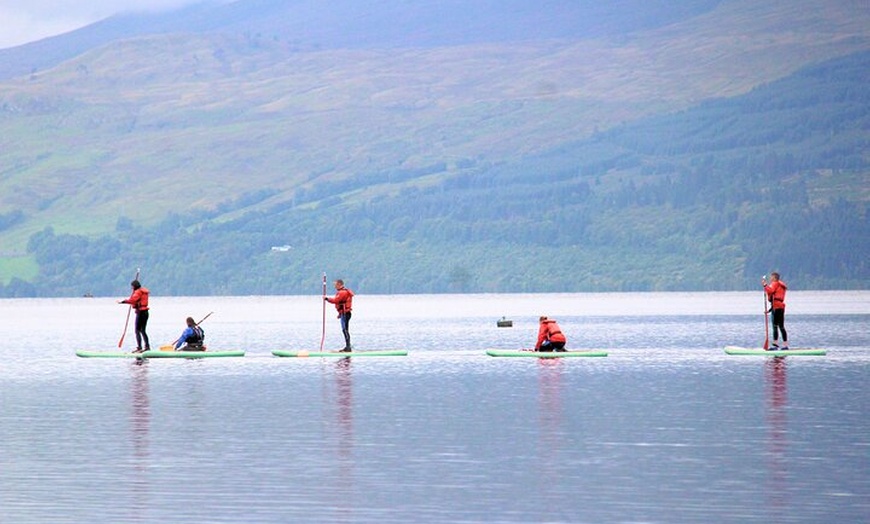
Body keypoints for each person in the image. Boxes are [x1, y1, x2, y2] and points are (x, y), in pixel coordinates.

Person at [119, 279, 150, 353]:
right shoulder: (143, 292)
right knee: (143, 330)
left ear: (134, 286)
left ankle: (139, 348)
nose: (131, 288)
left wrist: (123, 302)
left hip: (140, 313)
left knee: (137, 330)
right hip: (145, 312)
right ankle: (147, 347)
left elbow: (132, 300)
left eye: (132, 287)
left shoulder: (138, 292)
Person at [325, 279, 354, 352]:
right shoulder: (341, 292)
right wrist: (340, 314)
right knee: (345, 329)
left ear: (339, 284)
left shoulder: (342, 292)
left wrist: (327, 299)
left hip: (345, 313)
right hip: (344, 313)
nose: (334, 286)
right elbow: (340, 303)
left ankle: (348, 347)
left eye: (335, 284)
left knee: (345, 330)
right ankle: (347, 346)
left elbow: (336, 300)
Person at [762, 272, 789, 350]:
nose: (770, 279)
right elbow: (775, 299)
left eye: (771, 277)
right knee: (781, 326)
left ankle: (775, 345)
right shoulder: (781, 285)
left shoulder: (775, 283)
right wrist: (769, 310)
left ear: (774, 278)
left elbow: (770, 291)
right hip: (780, 307)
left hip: (776, 308)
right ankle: (785, 345)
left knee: (775, 326)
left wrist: (765, 285)